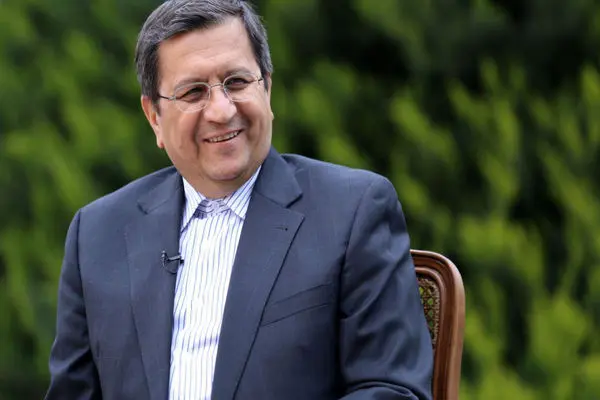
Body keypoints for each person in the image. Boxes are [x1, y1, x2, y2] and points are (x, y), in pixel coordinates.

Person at [45, 0, 434, 399]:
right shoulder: (98, 234)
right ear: (154, 117)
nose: (221, 109)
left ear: (267, 88)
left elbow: (392, 389)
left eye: (236, 82)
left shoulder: (352, 212)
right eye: (193, 92)